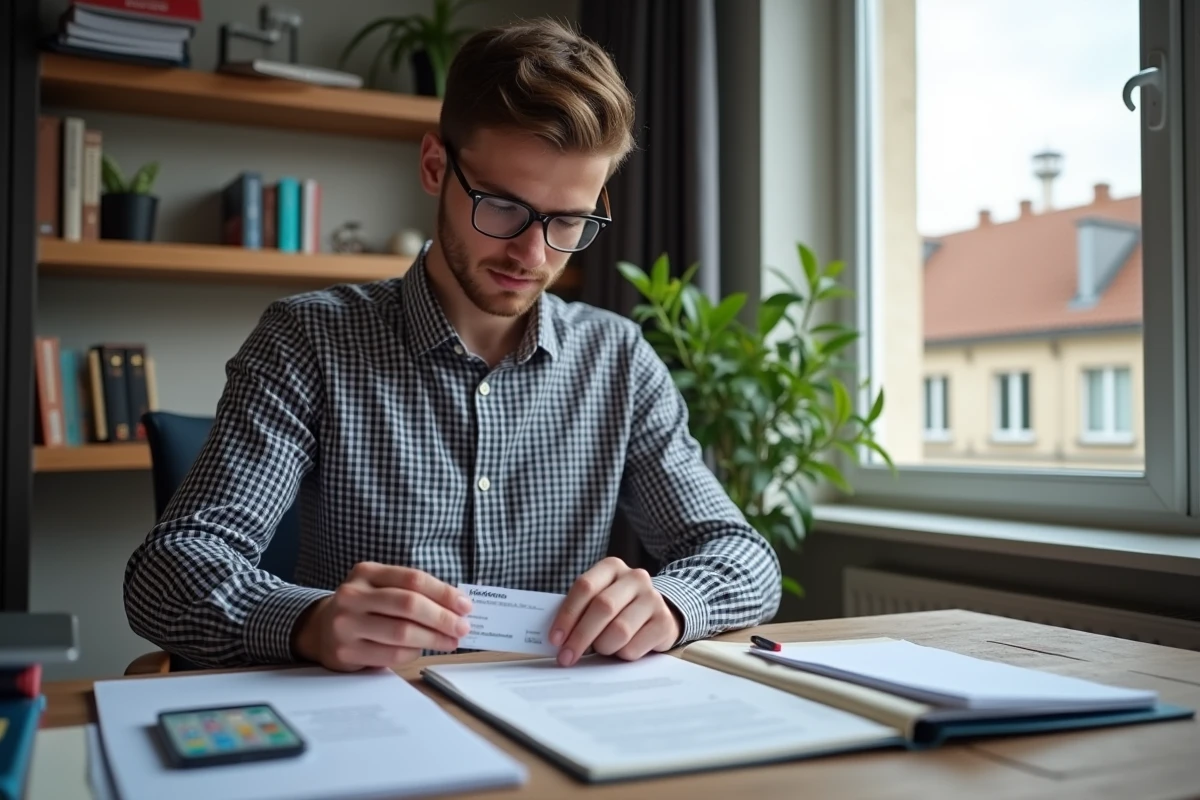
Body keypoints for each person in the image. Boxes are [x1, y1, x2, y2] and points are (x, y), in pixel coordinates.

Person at [122, 17, 781, 672]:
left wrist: (667, 602)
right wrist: (308, 621)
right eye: (501, 206)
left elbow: (742, 556)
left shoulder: (620, 361)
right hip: (374, 722)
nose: (532, 252)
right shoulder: (308, 340)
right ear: (436, 166)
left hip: (558, 729)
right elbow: (168, 573)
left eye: (569, 221)